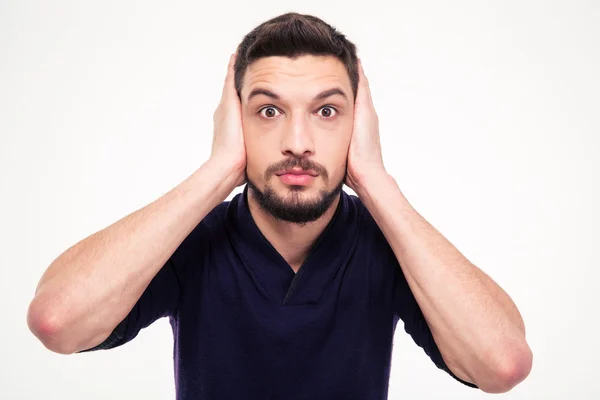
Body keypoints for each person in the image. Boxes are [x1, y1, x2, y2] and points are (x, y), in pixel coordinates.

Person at [27, 12, 532, 400]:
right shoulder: (193, 240)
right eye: (268, 111)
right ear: (235, 120)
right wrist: (217, 170)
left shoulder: (390, 246)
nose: (298, 141)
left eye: (327, 111)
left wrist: (375, 180)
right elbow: (57, 321)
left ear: (359, 123)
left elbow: (503, 364)